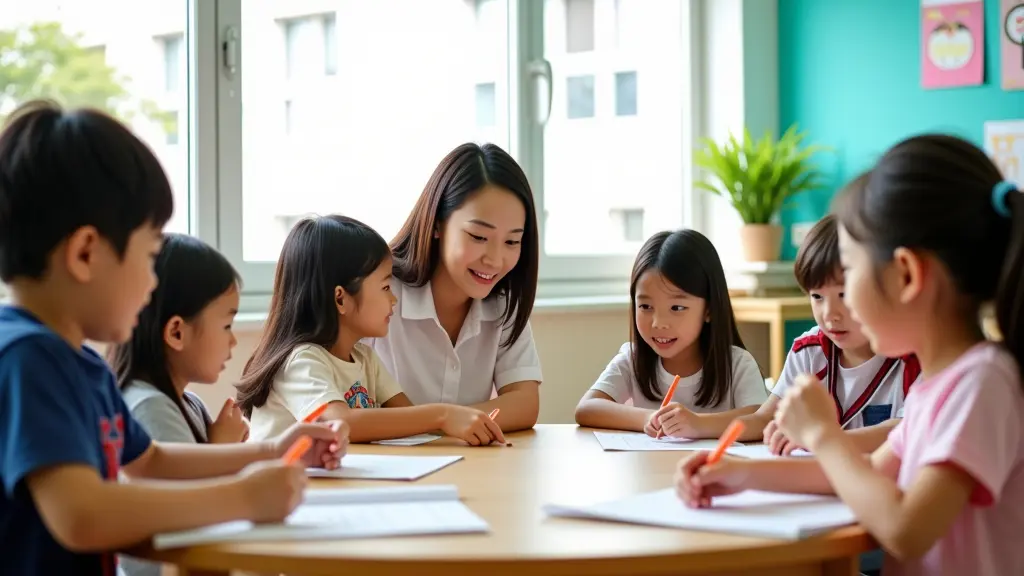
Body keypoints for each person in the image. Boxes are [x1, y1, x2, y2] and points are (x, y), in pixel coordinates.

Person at [0, 101, 346, 576]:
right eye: (148, 257)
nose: (151, 284)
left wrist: (274, 449)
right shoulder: (28, 359)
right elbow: (82, 515)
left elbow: (150, 460)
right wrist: (242, 497)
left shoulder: (78, 361)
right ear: (85, 254)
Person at [675, 134, 1024, 576]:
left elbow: (906, 529)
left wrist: (823, 434)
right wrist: (738, 475)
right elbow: (868, 472)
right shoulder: (941, 383)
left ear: (906, 275)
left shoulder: (982, 382)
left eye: (851, 271)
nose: (837, 307)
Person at [237, 215, 506, 446]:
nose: (394, 299)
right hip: (281, 489)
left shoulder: (364, 358)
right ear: (341, 298)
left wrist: (462, 425)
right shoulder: (301, 363)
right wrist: (444, 415)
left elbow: (408, 418)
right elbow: (340, 423)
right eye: (386, 287)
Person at [370, 143, 543, 432]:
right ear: (437, 224)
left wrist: (447, 423)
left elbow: (524, 403)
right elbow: (337, 410)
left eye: (512, 241)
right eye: (478, 237)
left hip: (466, 459)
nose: (495, 260)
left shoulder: (502, 303)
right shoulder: (379, 289)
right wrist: (445, 420)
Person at [735, 200, 920, 455]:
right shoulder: (809, 351)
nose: (830, 314)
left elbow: (904, 433)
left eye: (844, 294)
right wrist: (698, 426)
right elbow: (766, 417)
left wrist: (819, 438)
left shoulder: (912, 356)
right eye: (817, 296)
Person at [574, 229, 767, 437]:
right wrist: (647, 418)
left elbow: (761, 419)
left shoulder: (737, 364)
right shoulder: (633, 360)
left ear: (709, 309)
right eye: (645, 306)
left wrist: (698, 424)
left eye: (677, 308)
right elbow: (587, 408)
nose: (659, 323)